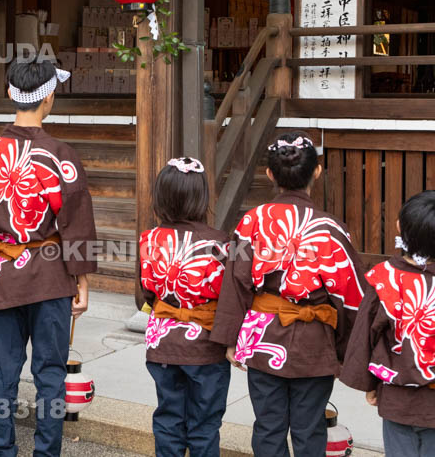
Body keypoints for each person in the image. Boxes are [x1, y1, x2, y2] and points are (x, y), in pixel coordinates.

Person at [0, 58, 97, 457]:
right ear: (48, 97)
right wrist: (81, 282)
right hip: (50, 276)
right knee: (50, 373)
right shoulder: (60, 154)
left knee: (1, 372)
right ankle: (46, 453)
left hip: (1, 275)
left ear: (14, 95)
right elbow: (77, 222)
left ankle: (2, 451)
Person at [211, 131, 365, 456]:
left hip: (262, 339)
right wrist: (344, 349)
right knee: (310, 431)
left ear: (269, 174)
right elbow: (351, 297)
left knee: (268, 428)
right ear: (317, 172)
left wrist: (229, 339)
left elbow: (236, 283)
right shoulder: (331, 229)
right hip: (315, 344)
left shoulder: (252, 221)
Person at [139, 157, 230, 457]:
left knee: (168, 418)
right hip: (205, 345)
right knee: (204, 425)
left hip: (163, 342)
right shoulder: (220, 244)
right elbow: (230, 298)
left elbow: (146, 293)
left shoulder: (149, 241)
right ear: (203, 197)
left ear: (161, 197)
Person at [341, 190, 435, 456]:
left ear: (398, 228)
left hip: (397, 397)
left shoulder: (385, 278)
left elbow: (365, 336)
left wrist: (371, 385)